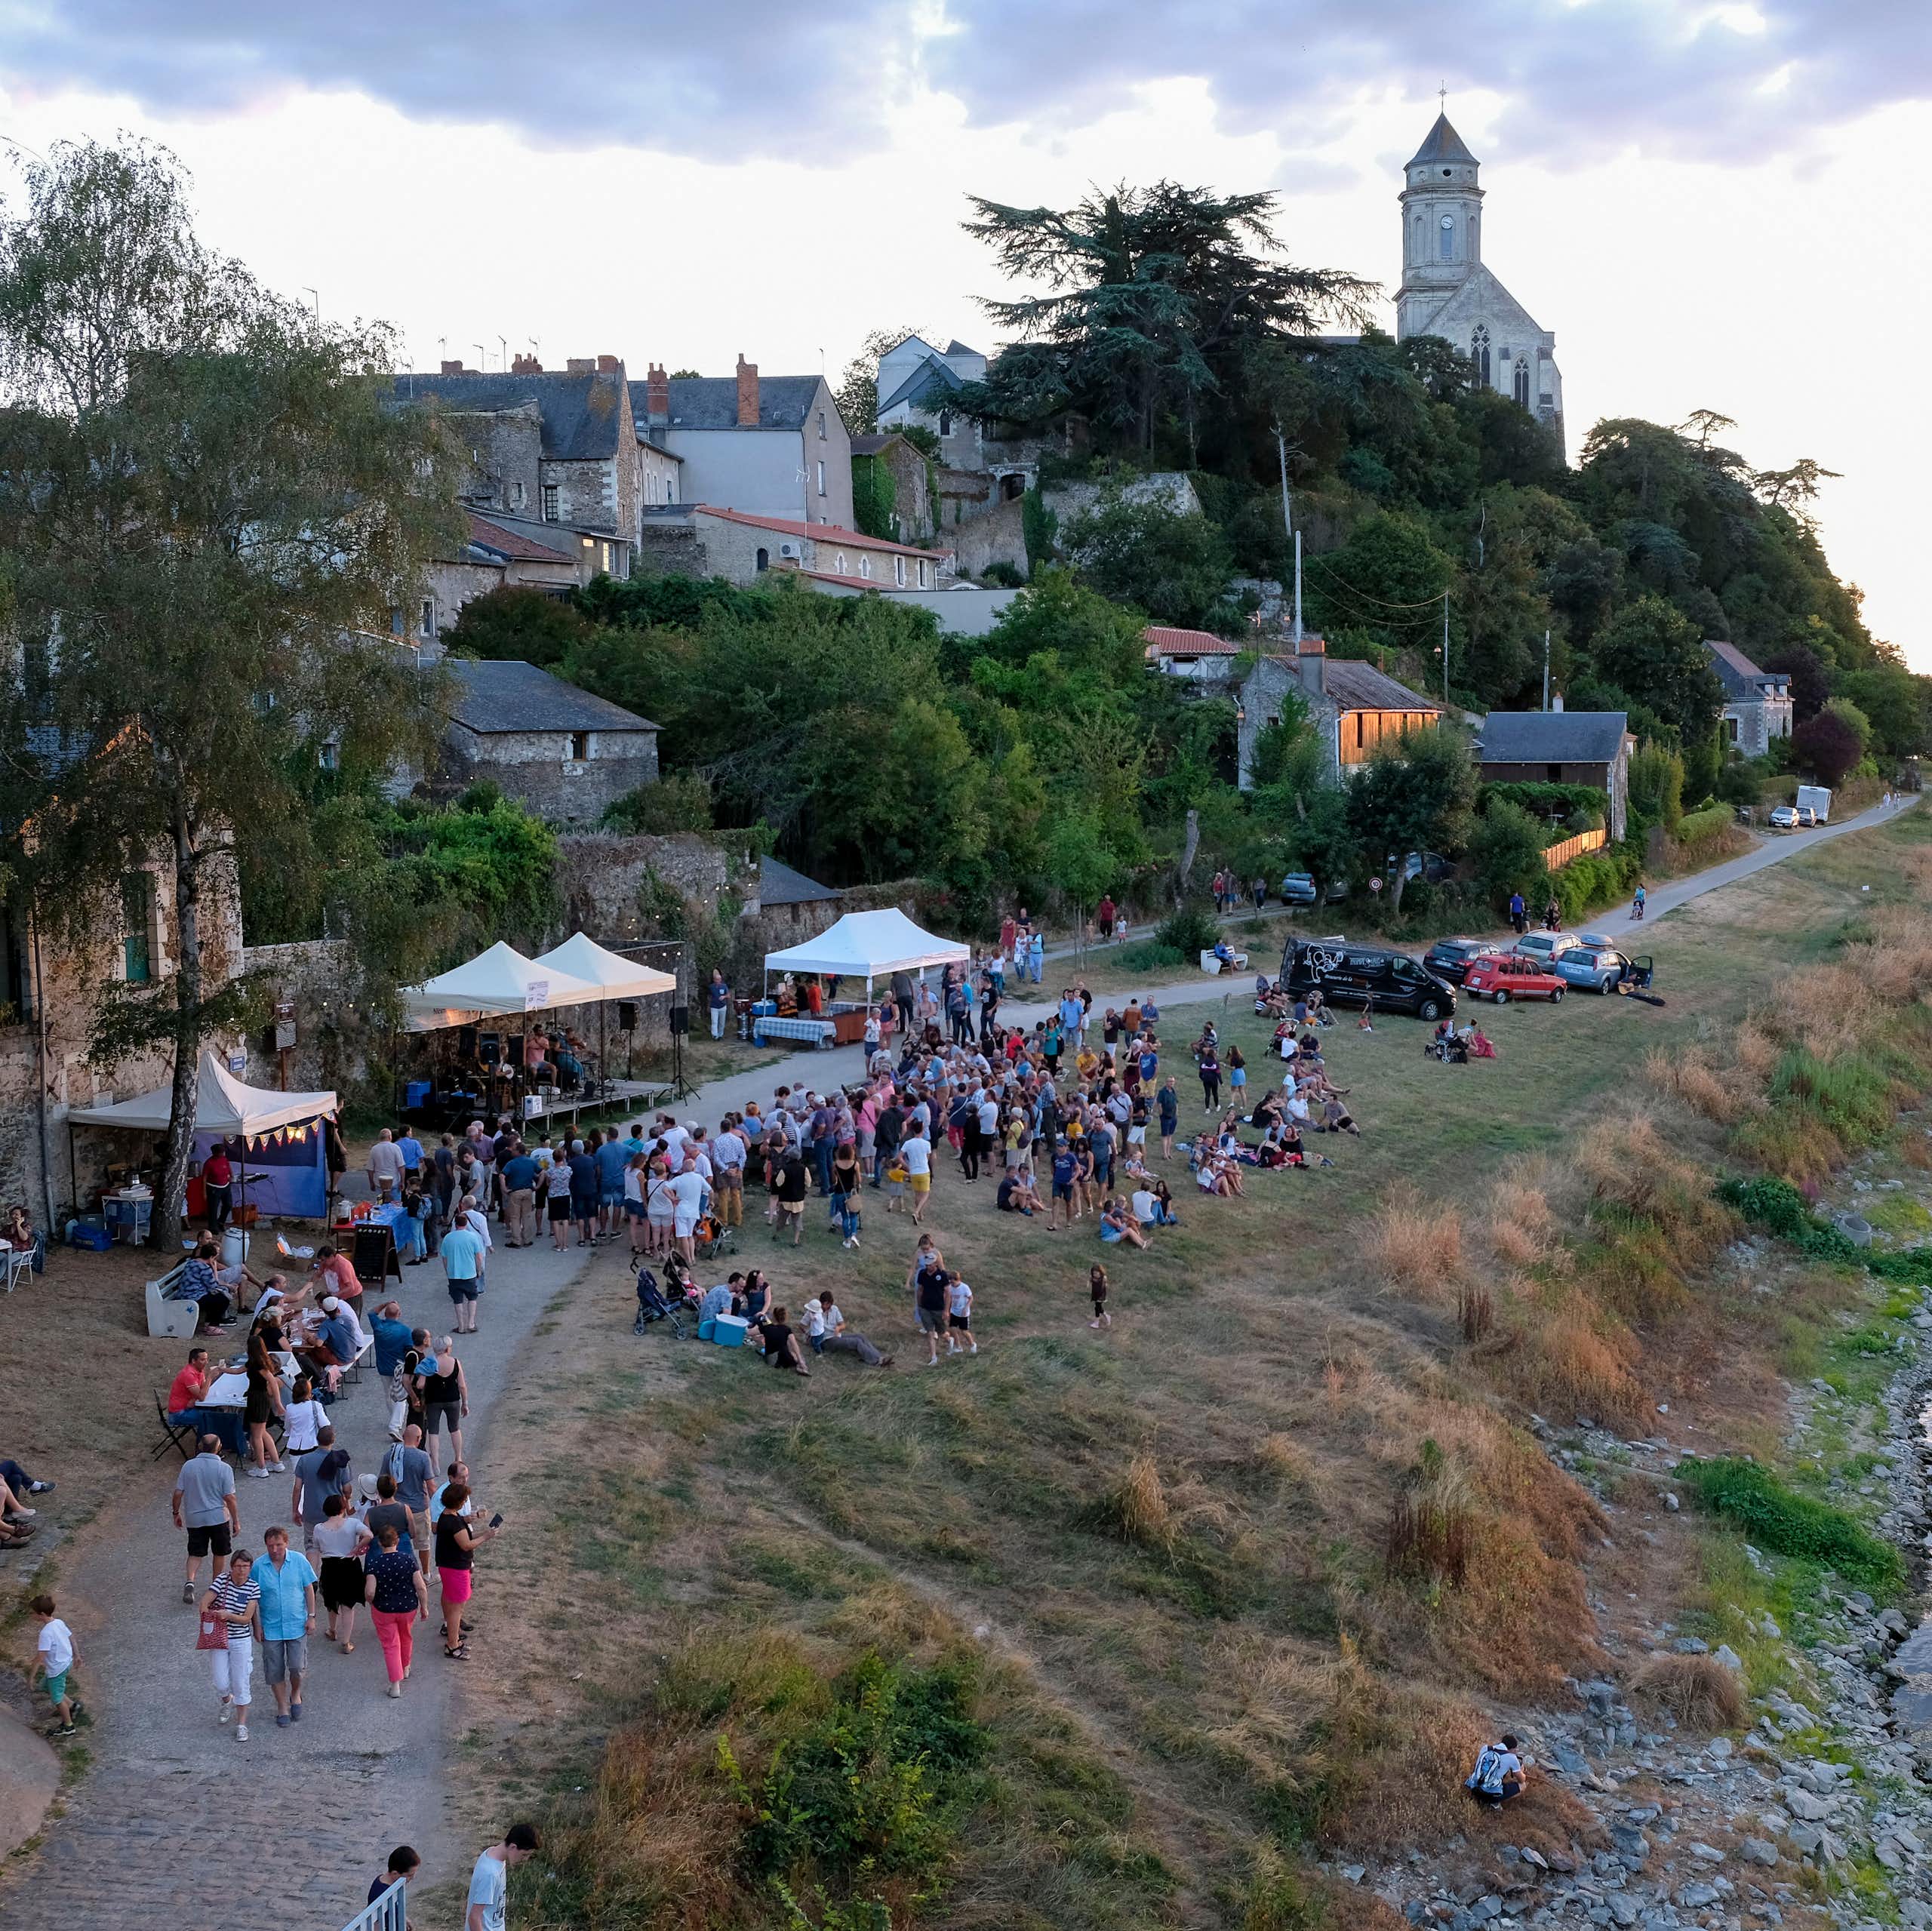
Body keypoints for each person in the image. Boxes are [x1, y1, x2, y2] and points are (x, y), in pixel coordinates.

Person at [255, 1524, 317, 1727]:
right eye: (270, 1546)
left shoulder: (299, 1561)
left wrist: (311, 1616)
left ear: (286, 1543)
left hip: (297, 1625)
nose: (274, 1550)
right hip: (270, 1628)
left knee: (297, 1667)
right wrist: (257, 1625)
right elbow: (252, 1599)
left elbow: (309, 1589)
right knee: (274, 1670)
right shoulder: (258, 1567)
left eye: (279, 1545)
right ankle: (282, 1706)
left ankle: (296, 1694)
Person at [363, 1519, 429, 1699]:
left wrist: (371, 1602)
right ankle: (406, 1667)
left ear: (379, 1543)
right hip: (407, 1608)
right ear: (397, 1541)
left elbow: (370, 1591)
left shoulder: (375, 1563)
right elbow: (420, 1587)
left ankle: (395, 1685)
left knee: (390, 1645)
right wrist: (424, 1607)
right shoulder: (408, 1560)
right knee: (406, 1636)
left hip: (384, 1610)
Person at [434, 1481, 500, 1659]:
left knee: (453, 1604)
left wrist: (482, 1531)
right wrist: (486, 1536)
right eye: (464, 1499)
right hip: (456, 1569)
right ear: (458, 1501)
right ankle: (452, 1645)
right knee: (457, 1608)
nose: (465, 1502)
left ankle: (454, 1640)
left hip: (448, 1566)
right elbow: (466, 1545)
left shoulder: (447, 1517)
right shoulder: (454, 1522)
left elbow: (465, 1536)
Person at [201, 1548, 261, 1741]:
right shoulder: (222, 1581)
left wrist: (228, 1615)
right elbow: (204, 1604)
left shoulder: (253, 1587)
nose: (241, 1570)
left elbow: (247, 1618)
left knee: (241, 1682)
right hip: (220, 1637)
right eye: (238, 1566)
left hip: (240, 1639)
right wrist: (213, 1617)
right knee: (220, 1681)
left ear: (250, 1568)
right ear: (232, 1566)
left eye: (246, 1566)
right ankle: (227, 1700)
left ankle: (242, 1724)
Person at [174, 1432, 240, 1604]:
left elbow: (178, 1493)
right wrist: (236, 1520)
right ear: (219, 1448)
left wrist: (176, 1513)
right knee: (219, 1552)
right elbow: (230, 1498)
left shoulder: (188, 1466)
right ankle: (215, 1586)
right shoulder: (224, 1468)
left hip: (194, 1518)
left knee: (195, 1553)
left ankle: (190, 1581)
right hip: (218, 1517)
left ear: (200, 1447)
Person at [314, 1493, 371, 1653]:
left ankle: (332, 1630)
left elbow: (317, 1548)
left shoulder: (319, 1528)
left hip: (330, 1566)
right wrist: (357, 1547)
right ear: (342, 1508)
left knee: (331, 1600)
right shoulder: (352, 1523)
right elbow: (369, 1535)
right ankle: (346, 1642)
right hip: (349, 1564)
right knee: (348, 1605)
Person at [166, 1345, 243, 1456]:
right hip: (178, 1414)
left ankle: (223, 1443)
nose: (206, 1362)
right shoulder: (188, 1374)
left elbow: (204, 1390)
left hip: (189, 1407)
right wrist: (210, 1377)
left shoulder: (199, 1371)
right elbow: (202, 1396)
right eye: (203, 1360)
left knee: (218, 1411)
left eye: (207, 1359)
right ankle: (209, 1450)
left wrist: (195, 1397)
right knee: (212, 1417)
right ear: (194, 1361)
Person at [466, 1825, 541, 1931]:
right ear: (513, 1847)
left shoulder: (493, 1854)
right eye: (524, 1855)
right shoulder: (490, 1874)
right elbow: (474, 1918)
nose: (525, 1859)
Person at [293, 1425, 355, 1551]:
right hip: (335, 1512)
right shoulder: (341, 1461)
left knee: (312, 1547)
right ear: (333, 1440)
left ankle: (313, 1565)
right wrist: (347, 1501)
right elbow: (347, 1489)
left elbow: (297, 1488)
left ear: (317, 1439)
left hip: (312, 1512)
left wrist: (295, 1510)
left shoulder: (304, 1460)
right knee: (335, 1547)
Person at [31, 1592, 80, 1738]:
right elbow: (72, 1637)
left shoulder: (46, 1633)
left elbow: (40, 1657)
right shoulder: (59, 1623)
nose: (31, 1615)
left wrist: (31, 1677)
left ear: (41, 1615)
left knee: (57, 1700)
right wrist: (77, 1655)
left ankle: (68, 1726)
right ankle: (72, 1706)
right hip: (66, 1663)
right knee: (46, 1686)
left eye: (33, 1613)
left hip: (57, 1669)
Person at [417, 1339, 469, 1474]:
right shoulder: (456, 1362)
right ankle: (458, 1458)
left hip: (433, 1400)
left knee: (433, 1431)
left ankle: (435, 1464)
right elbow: (462, 1386)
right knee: (455, 1428)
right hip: (453, 1399)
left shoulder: (429, 1363)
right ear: (447, 1348)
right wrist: (465, 1403)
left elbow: (420, 1385)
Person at [805, 1290, 891, 1367]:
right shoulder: (814, 1311)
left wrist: (838, 1328)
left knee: (860, 1336)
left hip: (836, 1336)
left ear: (830, 1304)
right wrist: (808, 1334)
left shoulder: (834, 1309)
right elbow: (802, 1324)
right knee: (856, 1342)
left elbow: (843, 1325)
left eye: (827, 1304)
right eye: (824, 1304)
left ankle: (880, 1357)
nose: (825, 1306)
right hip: (825, 1340)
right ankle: (876, 1362)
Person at [440, 1210, 485, 1334]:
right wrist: (479, 1270)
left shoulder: (448, 1238)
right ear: (466, 1224)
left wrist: (448, 1271)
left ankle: (461, 1326)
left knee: (457, 1300)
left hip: (454, 1274)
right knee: (472, 1298)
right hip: (469, 1273)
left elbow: (444, 1258)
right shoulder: (472, 1237)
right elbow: (478, 1256)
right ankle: (471, 1323)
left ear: (455, 1224)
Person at [1466, 1733, 1529, 1806]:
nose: (1516, 1752)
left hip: (1473, 1787)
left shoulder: (1486, 1748)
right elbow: (1521, 1780)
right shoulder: (1512, 1758)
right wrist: (1521, 1771)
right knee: (1523, 1786)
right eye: (1515, 1750)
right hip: (1488, 1795)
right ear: (1512, 1749)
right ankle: (1494, 1803)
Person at [755, 1305, 811, 1376]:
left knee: (784, 1347)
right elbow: (795, 1345)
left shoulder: (767, 1326)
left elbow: (752, 1330)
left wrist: (761, 1315)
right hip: (784, 1358)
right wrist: (800, 1360)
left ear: (773, 1316)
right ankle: (801, 1366)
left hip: (771, 1360)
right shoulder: (786, 1329)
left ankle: (798, 1364)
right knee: (794, 1351)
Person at [368, 1846, 422, 1920]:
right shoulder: (383, 1895)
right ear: (395, 1874)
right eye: (410, 1875)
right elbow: (376, 1922)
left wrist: (404, 1918)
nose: (413, 1878)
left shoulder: (383, 1880)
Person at [773, 1147, 808, 1247]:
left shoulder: (785, 1169)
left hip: (786, 1199)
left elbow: (778, 1183)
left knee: (781, 1220)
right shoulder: (804, 1169)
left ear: (789, 1157)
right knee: (797, 1221)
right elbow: (808, 1183)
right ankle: (795, 1241)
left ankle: (777, 1235)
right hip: (798, 1200)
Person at [201, 1143, 235, 1234]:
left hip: (226, 1186)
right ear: (215, 1153)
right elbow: (204, 1178)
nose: (223, 1154)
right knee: (213, 1208)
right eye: (221, 1152)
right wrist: (204, 1192)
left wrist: (231, 1175)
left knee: (228, 1205)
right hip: (213, 1188)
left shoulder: (224, 1159)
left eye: (223, 1152)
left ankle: (221, 1222)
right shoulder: (209, 1163)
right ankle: (213, 1227)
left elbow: (228, 1167)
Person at [368, 1128, 405, 1203]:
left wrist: (371, 1183)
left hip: (379, 1182)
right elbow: (401, 1167)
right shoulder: (396, 1148)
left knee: (380, 1203)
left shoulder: (374, 1149)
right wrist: (402, 1182)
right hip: (394, 1181)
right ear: (390, 1137)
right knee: (396, 1204)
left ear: (380, 1138)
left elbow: (370, 1169)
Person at [944, 1272, 977, 1357]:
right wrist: (947, 1310)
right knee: (952, 1329)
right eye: (950, 1282)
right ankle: (958, 1346)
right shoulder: (950, 1288)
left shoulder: (965, 1287)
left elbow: (971, 1298)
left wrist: (966, 1307)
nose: (952, 1284)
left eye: (953, 1282)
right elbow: (949, 1299)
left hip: (963, 1314)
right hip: (954, 1312)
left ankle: (972, 1344)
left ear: (958, 1280)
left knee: (964, 1332)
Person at [1157, 1078, 1179, 1160]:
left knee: (1170, 1135)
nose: (1171, 1083)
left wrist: (1176, 1113)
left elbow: (1176, 1102)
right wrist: (1161, 1113)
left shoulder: (1173, 1091)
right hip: (1165, 1116)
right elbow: (1159, 1103)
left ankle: (1168, 1153)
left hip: (1173, 1116)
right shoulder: (1162, 1092)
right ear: (1166, 1082)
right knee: (1165, 1135)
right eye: (1170, 1081)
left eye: (1173, 1081)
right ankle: (1165, 1154)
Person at [707, 967, 731, 1040]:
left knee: (721, 1022)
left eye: (719, 979)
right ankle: (715, 1035)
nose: (717, 981)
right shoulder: (711, 987)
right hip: (714, 1006)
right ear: (714, 980)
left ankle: (720, 1035)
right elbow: (709, 995)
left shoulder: (724, 986)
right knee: (714, 1021)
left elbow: (729, 995)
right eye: (716, 979)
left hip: (722, 1006)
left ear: (721, 980)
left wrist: (724, 996)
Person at [1088, 1263, 1112, 1330]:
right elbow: (1089, 1280)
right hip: (1095, 1294)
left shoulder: (1103, 1278)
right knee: (1098, 1307)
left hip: (1101, 1295)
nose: (1095, 1275)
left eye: (1096, 1273)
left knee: (1097, 1308)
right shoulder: (1093, 1277)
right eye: (1094, 1273)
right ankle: (1107, 1316)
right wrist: (1088, 1284)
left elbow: (1105, 1284)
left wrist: (1106, 1285)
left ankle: (1096, 1323)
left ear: (1100, 1272)